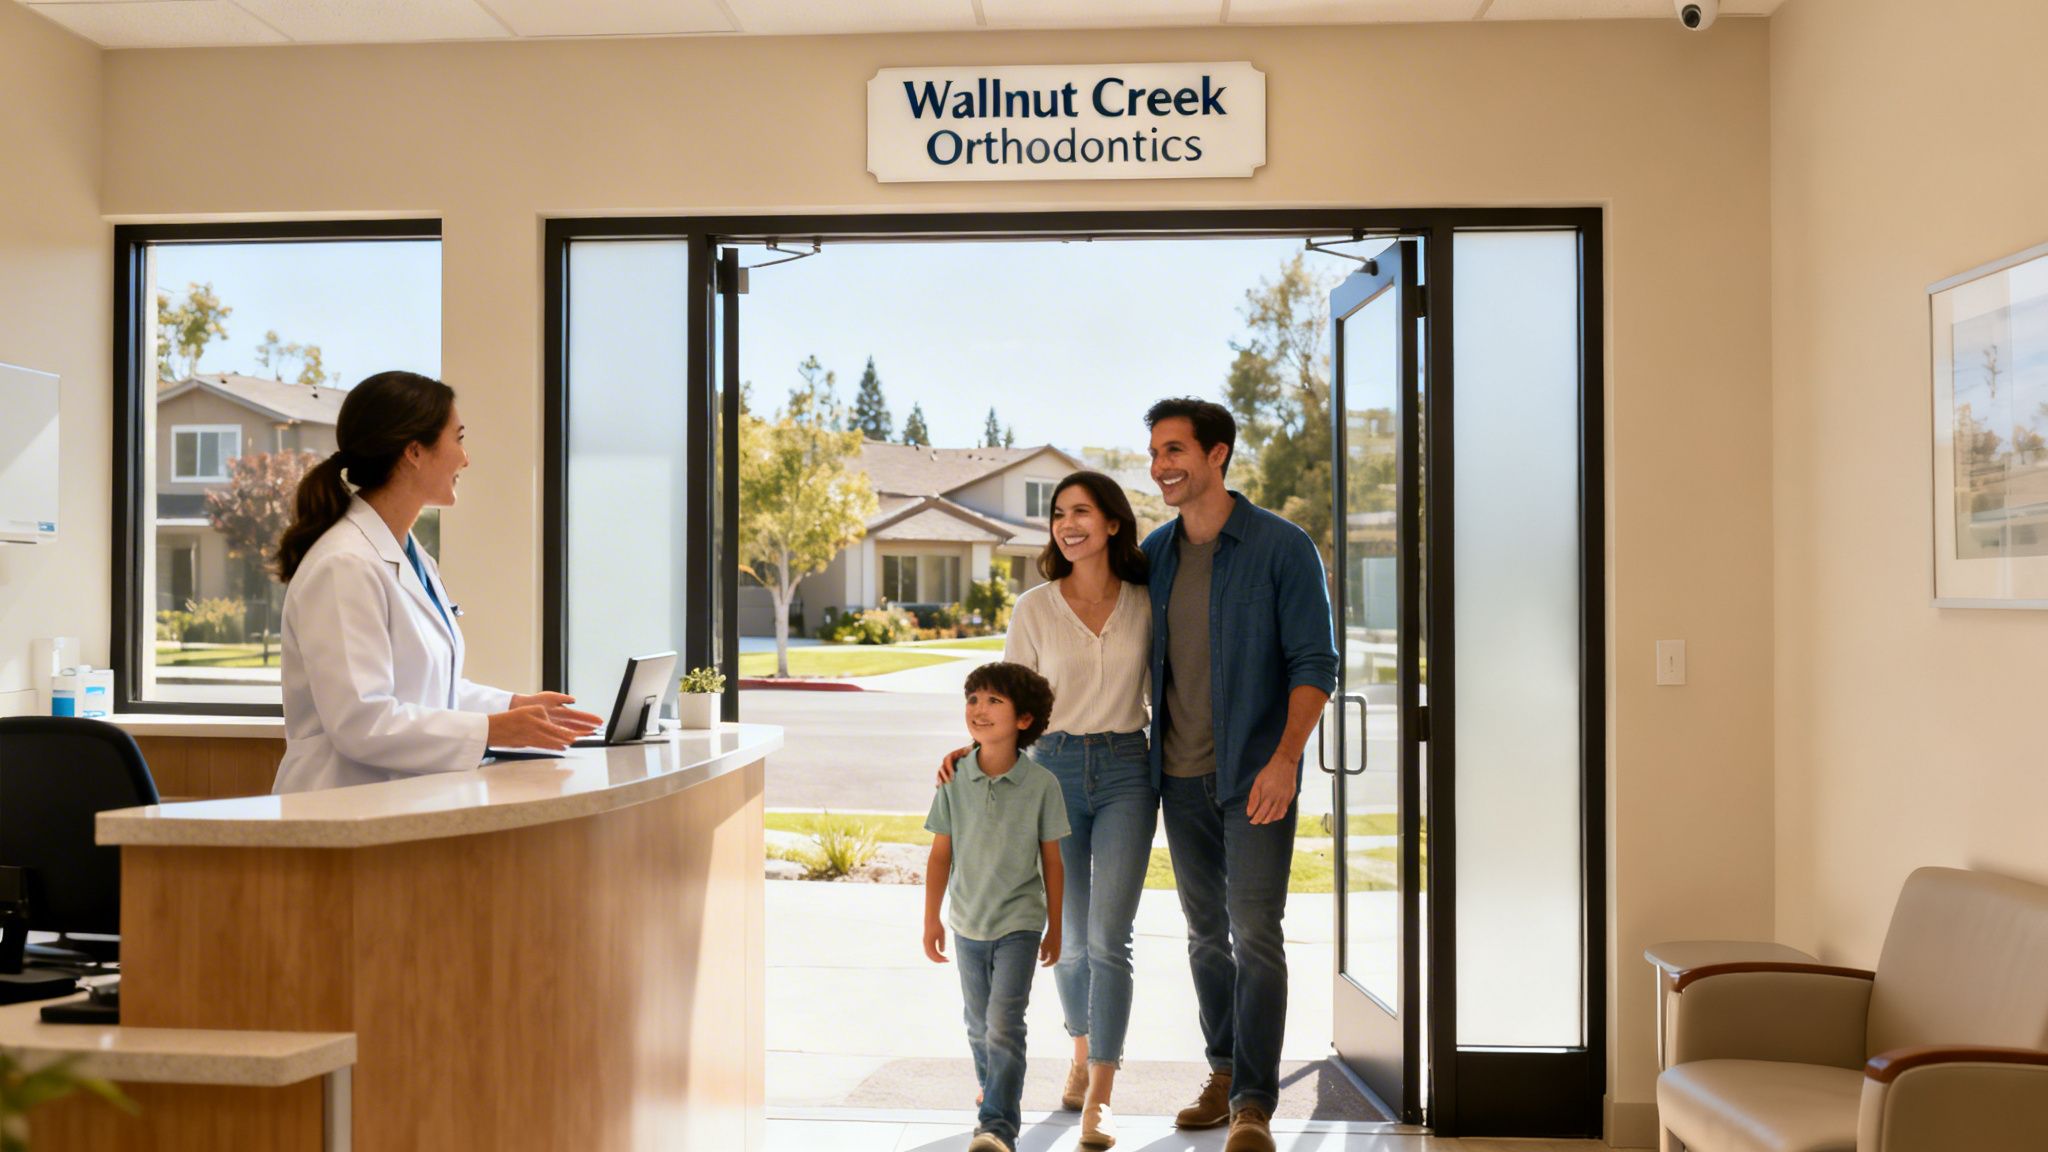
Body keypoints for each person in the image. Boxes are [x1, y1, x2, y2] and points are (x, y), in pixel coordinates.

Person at [1141, 397, 1338, 1152]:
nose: (1161, 465)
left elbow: (1313, 663)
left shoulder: (1281, 547)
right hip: (1178, 777)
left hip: (1257, 776)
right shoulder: (1155, 554)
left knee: (1255, 931)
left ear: (1218, 454)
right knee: (1203, 935)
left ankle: (1254, 1103)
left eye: (1175, 450)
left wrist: (1285, 761)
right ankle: (1224, 1073)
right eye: (1156, 451)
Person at [941, 470, 1153, 1150]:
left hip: (1127, 767)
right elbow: (1008, 700)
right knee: (1066, 934)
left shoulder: (1148, 603)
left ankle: (1101, 1096)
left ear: (1113, 523)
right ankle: (1080, 1050)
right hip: (1052, 769)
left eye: (1082, 512)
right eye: (1059, 513)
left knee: (1110, 936)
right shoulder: (1034, 607)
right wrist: (970, 751)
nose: (1067, 523)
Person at [270, 371, 600, 794]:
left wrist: (511, 708)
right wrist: (492, 730)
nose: (466, 458)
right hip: (337, 810)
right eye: (458, 439)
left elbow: (426, 692)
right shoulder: (344, 564)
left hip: (398, 804)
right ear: (414, 452)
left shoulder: (409, 554)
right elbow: (361, 722)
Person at [923, 662, 1070, 1152]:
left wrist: (1055, 926)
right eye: (973, 699)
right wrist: (931, 918)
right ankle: (994, 1094)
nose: (978, 710)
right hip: (966, 921)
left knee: (1005, 1022)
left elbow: (1053, 861)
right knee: (977, 1022)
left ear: (1023, 720)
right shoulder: (954, 777)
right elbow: (941, 852)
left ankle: (996, 1128)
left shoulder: (1042, 784)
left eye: (993, 701)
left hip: (1020, 923)